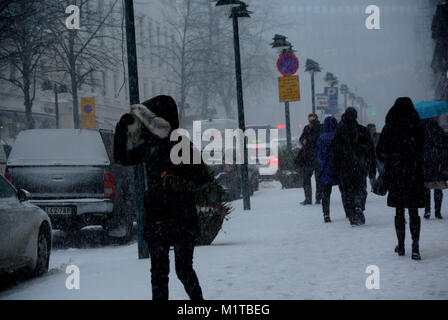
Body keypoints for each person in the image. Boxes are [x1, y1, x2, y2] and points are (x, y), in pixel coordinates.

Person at [114, 95, 213, 300]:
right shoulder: (150, 145)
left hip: (180, 216)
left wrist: (182, 184)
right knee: (159, 273)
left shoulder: (182, 145)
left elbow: (203, 178)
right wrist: (121, 129)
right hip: (159, 216)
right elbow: (121, 158)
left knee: (182, 270)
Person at [376, 97, 425, 260]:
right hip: (413, 173)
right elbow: (424, 148)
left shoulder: (390, 127)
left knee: (399, 210)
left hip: (396, 174)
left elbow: (380, 150)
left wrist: (391, 158)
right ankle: (415, 247)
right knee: (414, 210)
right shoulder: (417, 126)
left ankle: (401, 245)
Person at [331, 107, 376, 226]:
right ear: (356, 116)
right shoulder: (363, 130)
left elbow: (335, 151)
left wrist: (336, 167)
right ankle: (359, 205)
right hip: (360, 166)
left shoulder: (340, 131)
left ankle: (352, 212)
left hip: (345, 167)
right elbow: (371, 151)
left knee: (347, 191)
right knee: (360, 188)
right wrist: (372, 168)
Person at [421, 117, 448, 219]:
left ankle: (427, 210)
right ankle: (438, 212)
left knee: (426, 188)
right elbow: (445, 147)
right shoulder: (439, 130)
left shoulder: (421, 130)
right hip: (438, 163)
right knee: (438, 188)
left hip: (426, 163)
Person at [316, 116, 339, 223]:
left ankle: (326, 214)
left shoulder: (321, 138)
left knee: (326, 194)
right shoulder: (338, 136)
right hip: (338, 167)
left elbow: (319, 155)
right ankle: (349, 211)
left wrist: (321, 166)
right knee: (344, 191)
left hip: (326, 168)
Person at [298, 113, 323, 205]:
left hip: (316, 156)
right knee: (306, 178)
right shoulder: (306, 128)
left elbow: (317, 139)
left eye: (312, 118)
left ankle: (318, 198)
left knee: (318, 179)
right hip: (308, 157)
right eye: (309, 118)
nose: (310, 120)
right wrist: (303, 140)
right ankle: (308, 198)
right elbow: (301, 138)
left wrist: (307, 140)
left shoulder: (319, 127)